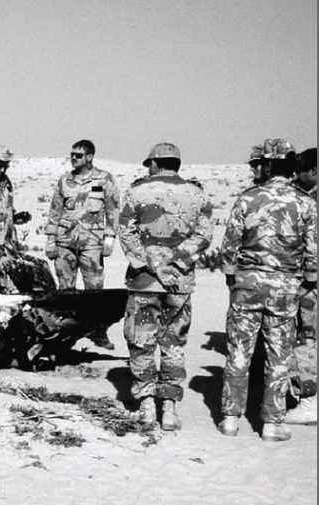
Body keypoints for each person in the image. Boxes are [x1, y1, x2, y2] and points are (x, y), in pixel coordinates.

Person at [219, 139, 317, 441]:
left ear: (268, 164)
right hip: (285, 289)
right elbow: (313, 254)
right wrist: (307, 282)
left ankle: (230, 418)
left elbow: (229, 248)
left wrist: (232, 279)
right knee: (279, 354)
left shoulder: (248, 198)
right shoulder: (305, 203)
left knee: (239, 351)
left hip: (248, 285)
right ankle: (272, 422)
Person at [117, 143, 214, 431]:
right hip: (179, 284)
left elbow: (126, 231)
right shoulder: (197, 194)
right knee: (173, 345)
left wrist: (153, 264)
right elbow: (205, 234)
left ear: (156, 164)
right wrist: (176, 262)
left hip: (145, 283)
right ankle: (169, 409)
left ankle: (147, 407)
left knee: (141, 342)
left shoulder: (137, 191)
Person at [45, 139, 122, 348]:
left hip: (92, 243)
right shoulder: (64, 180)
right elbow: (55, 211)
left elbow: (113, 210)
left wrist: (110, 236)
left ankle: (97, 331)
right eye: (72, 154)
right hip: (65, 242)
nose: (73, 158)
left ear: (89, 157)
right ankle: (63, 335)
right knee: (65, 291)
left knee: (95, 289)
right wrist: (51, 239)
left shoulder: (104, 179)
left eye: (78, 155)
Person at [286, 147, 318, 425]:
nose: (296, 177)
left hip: (311, 286)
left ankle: (309, 401)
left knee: (306, 339)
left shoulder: (310, 203)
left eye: (301, 171)